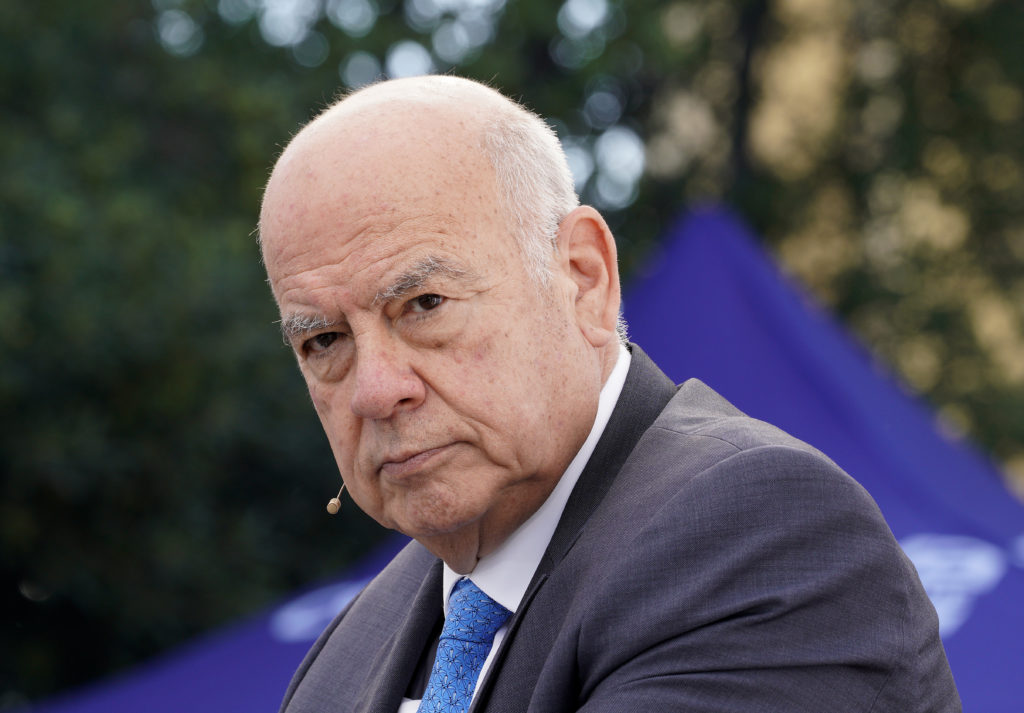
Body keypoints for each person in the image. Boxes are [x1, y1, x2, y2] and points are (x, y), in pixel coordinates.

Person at [258, 75, 960, 712]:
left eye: (424, 304)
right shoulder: (342, 658)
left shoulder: (758, 533)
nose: (376, 390)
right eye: (324, 341)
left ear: (583, 277)